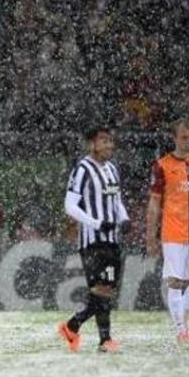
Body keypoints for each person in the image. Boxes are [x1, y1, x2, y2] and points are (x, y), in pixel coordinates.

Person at [58, 128, 129, 353]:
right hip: (92, 241)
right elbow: (69, 205)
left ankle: (73, 326)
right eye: (104, 141)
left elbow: (116, 201)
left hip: (112, 239)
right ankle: (104, 341)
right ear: (92, 144)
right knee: (101, 289)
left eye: (111, 141)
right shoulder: (82, 169)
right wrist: (97, 223)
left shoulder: (112, 169)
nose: (109, 145)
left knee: (105, 290)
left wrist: (124, 218)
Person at [146, 118, 189, 343]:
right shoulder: (162, 165)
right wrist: (150, 234)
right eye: (183, 137)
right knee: (175, 281)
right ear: (174, 138)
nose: (188, 141)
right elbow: (154, 202)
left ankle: (180, 314)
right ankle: (181, 330)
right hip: (173, 232)